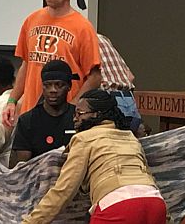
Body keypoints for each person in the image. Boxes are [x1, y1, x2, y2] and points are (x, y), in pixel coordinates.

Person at [22, 89, 166, 224]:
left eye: (79, 113)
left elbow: (64, 189)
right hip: (155, 204)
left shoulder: (84, 139)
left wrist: (31, 222)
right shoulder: (129, 137)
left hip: (118, 206)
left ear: (97, 114)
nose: (74, 119)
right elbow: (149, 176)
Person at [2, 0, 101, 127]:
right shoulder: (31, 20)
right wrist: (12, 100)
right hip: (31, 113)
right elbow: (27, 63)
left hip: (63, 114)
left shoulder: (82, 27)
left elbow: (94, 77)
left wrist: (74, 107)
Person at [10, 60, 77, 165]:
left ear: (69, 87)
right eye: (47, 85)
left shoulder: (78, 118)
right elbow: (20, 168)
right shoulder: (28, 120)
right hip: (37, 178)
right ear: (42, 86)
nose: (53, 90)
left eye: (59, 85)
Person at [98, 33, 142, 133]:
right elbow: (130, 76)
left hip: (104, 99)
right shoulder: (102, 38)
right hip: (127, 99)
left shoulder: (80, 40)